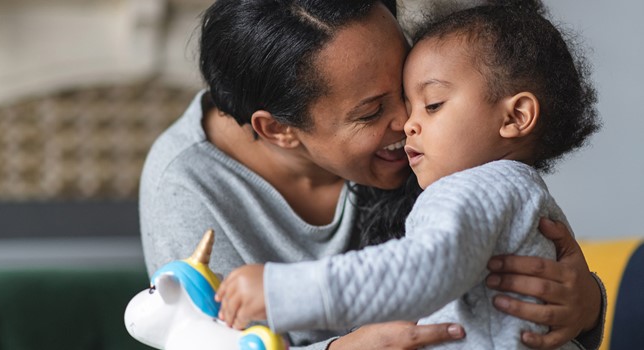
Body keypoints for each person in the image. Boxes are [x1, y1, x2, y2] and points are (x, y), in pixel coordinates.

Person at [139, 0, 605, 349]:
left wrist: (587, 303)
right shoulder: (186, 187)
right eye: (371, 111)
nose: (408, 121)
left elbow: (474, 270)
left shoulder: (456, 158)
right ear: (279, 129)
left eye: (415, 91)